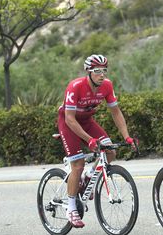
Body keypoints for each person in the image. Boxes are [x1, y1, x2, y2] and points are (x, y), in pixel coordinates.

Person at [57, 54, 138, 228]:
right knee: (77, 165)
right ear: (88, 72)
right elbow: (70, 119)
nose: (102, 75)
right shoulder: (75, 86)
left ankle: (88, 176)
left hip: (87, 122)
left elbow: (116, 112)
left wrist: (127, 136)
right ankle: (71, 208)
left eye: (104, 71)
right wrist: (89, 140)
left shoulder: (107, 86)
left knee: (110, 152)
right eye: (97, 71)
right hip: (68, 123)